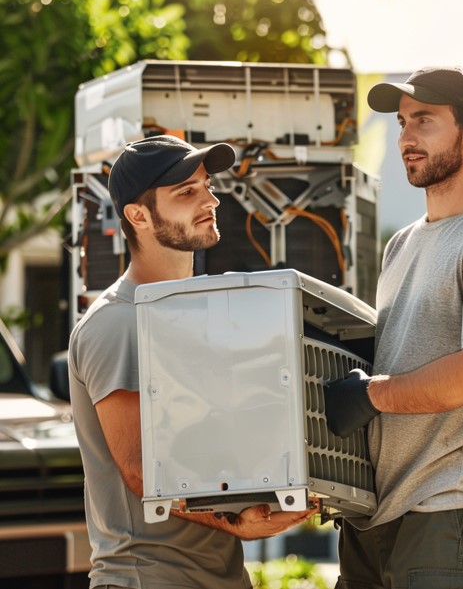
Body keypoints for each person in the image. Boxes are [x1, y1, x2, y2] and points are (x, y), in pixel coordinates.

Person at [324, 67, 463, 588]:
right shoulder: (403, 243)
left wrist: (373, 396)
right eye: (402, 122)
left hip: (447, 510)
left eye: (424, 120)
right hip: (373, 513)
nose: (405, 138)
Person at [68, 134, 317, 589]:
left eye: (206, 185)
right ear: (138, 216)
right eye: (187, 192)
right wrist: (236, 522)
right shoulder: (119, 322)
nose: (210, 199)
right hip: (146, 578)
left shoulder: (199, 322)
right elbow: (144, 472)